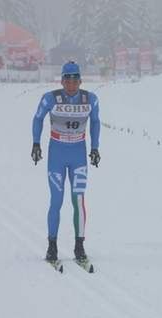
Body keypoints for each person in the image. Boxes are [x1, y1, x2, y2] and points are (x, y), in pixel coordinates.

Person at [31, 61, 101, 263]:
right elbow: (37, 119)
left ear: (80, 80)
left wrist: (95, 148)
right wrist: (36, 144)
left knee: (78, 201)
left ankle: (79, 246)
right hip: (57, 155)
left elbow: (95, 122)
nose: (71, 85)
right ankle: (52, 246)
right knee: (56, 201)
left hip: (78, 154)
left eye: (75, 80)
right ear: (62, 81)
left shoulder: (91, 99)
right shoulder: (51, 98)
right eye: (67, 80)